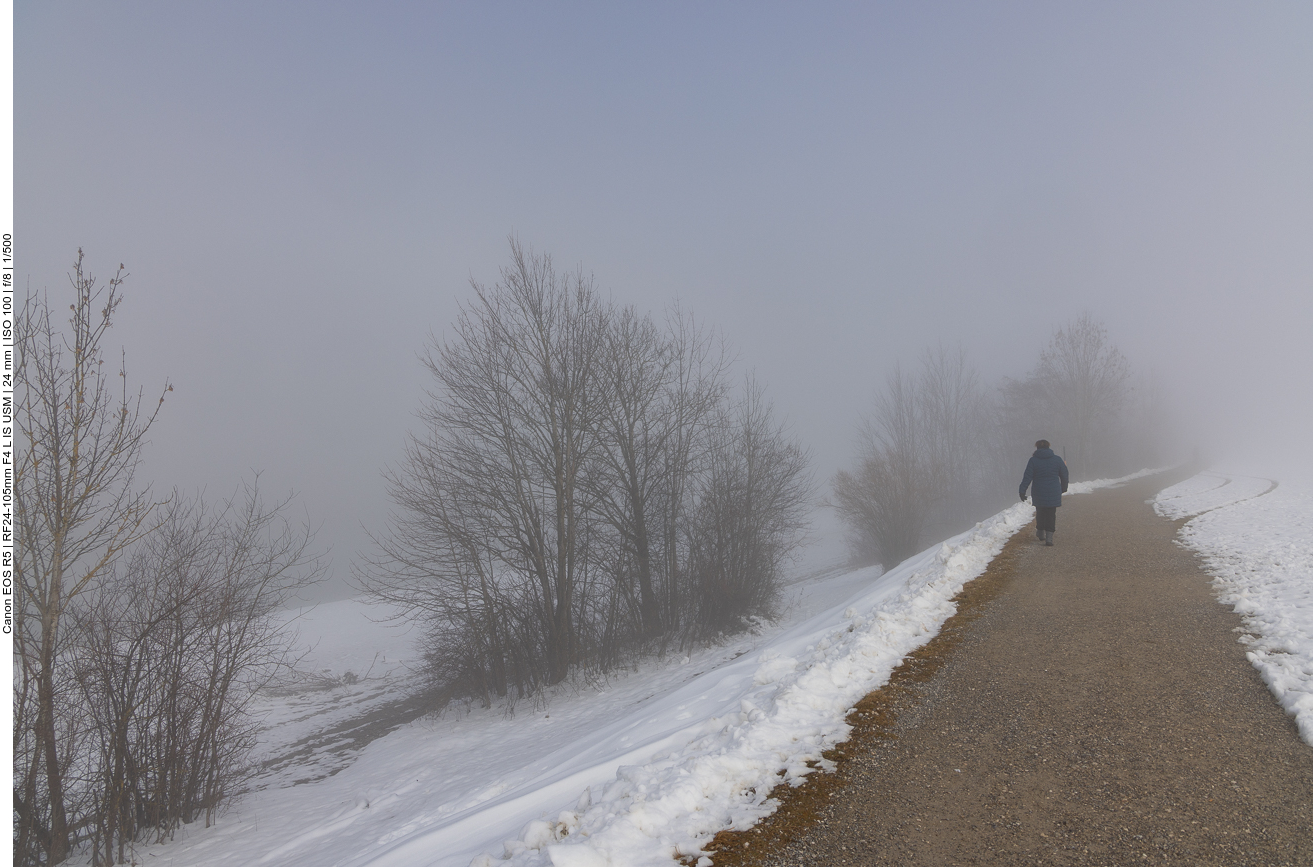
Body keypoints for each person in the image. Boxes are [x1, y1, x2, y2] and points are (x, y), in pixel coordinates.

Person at [1019, 439, 1069, 546]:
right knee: (1051, 514)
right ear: (1048, 447)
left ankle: (1040, 532)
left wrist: (1022, 491)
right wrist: (1063, 488)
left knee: (1040, 512)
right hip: (1054, 490)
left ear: (1037, 448)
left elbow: (1027, 477)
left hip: (1038, 491)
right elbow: (1064, 475)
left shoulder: (1033, 461)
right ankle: (1049, 538)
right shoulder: (1057, 459)